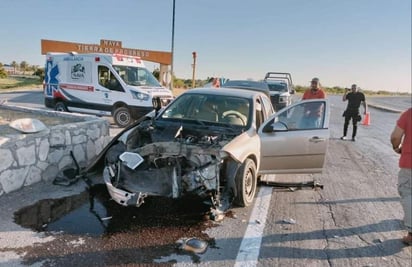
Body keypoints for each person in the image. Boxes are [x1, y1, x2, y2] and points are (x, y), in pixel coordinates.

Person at [390, 108, 412, 246]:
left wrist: (396, 147)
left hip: (409, 164)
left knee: (408, 194)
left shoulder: (409, 114)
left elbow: (395, 137)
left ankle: (411, 233)